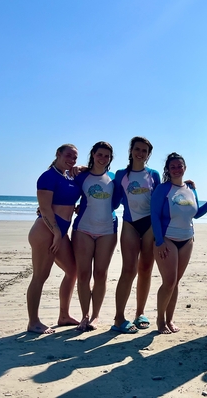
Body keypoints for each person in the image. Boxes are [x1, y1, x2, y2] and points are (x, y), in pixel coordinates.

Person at [151, 152, 207, 334]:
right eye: (173, 167)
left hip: (187, 239)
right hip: (167, 239)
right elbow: (154, 215)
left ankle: (170, 319)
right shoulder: (163, 189)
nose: (177, 169)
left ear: (184, 168)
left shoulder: (190, 189)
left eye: (179, 166)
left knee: (176, 282)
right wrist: (159, 241)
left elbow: (195, 214)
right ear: (168, 170)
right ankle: (160, 320)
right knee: (168, 282)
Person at [26, 144, 81, 334]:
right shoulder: (48, 177)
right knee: (40, 276)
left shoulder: (68, 176)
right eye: (68, 156)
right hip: (46, 232)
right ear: (57, 154)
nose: (72, 160)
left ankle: (64, 316)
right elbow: (46, 209)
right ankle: (33, 322)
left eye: (75, 157)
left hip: (60, 232)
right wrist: (57, 232)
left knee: (72, 270)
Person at [110, 137, 161, 334]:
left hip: (150, 226)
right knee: (128, 270)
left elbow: (161, 199)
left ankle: (140, 313)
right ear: (131, 150)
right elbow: (113, 202)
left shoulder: (153, 175)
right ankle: (119, 318)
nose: (141, 153)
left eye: (145, 151)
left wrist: (187, 185)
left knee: (146, 269)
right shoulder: (121, 175)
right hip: (130, 224)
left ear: (149, 154)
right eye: (137, 149)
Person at [72, 141, 119, 332]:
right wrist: (43, 212)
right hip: (83, 229)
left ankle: (95, 316)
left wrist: (188, 184)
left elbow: (136, 194)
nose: (103, 158)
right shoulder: (81, 176)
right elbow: (65, 196)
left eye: (107, 156)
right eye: (100, 154)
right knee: (83, 274)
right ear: (93, 154)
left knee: (101, 274)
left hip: (107, 230)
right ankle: (84, 315)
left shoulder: (115, 178)